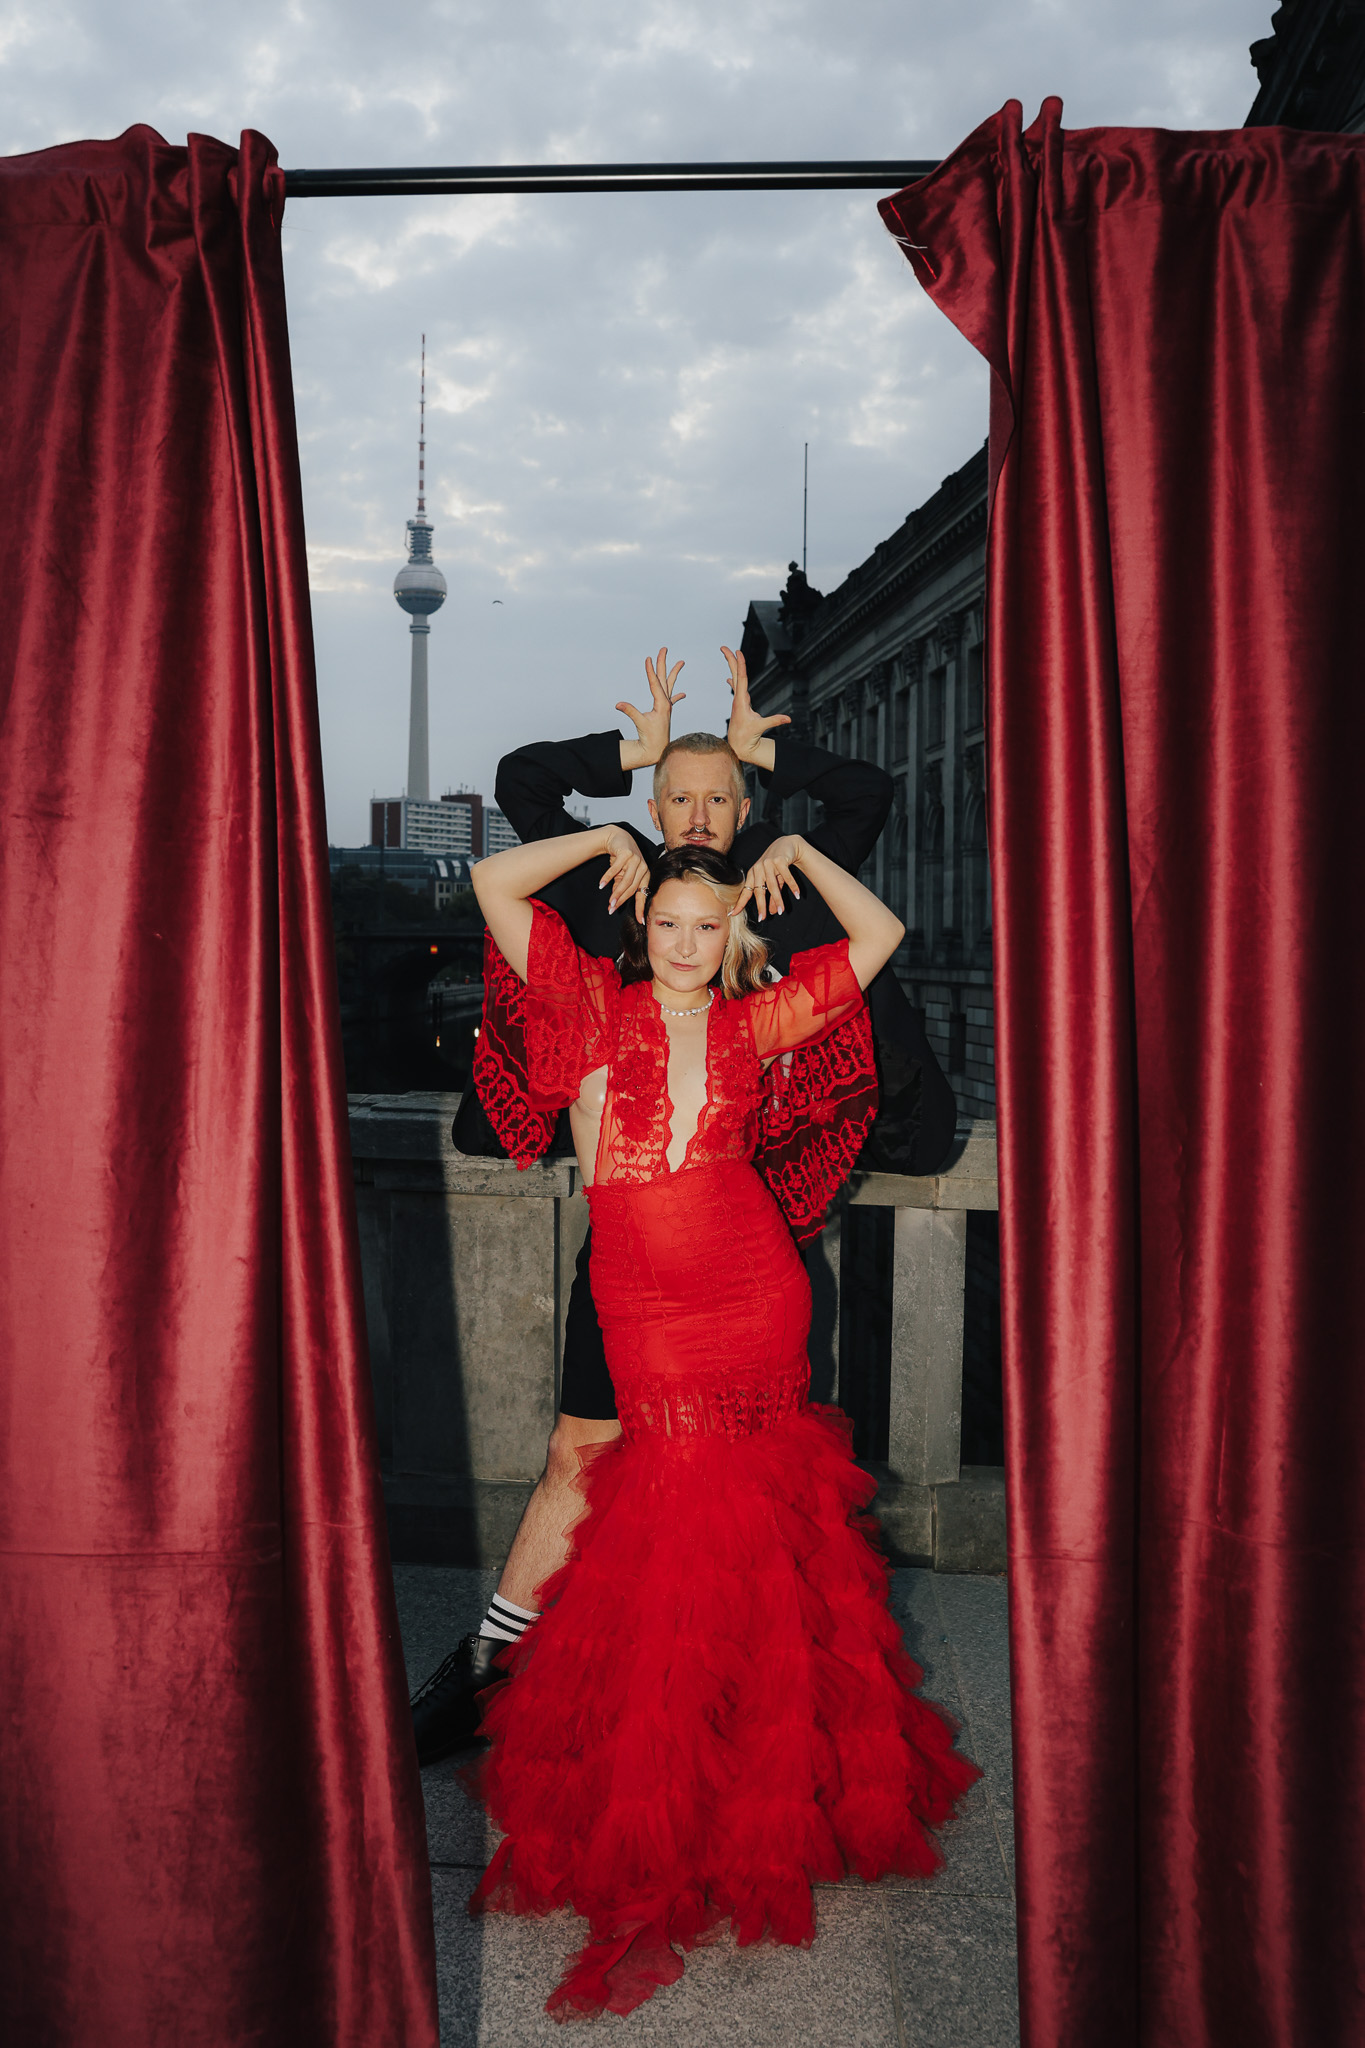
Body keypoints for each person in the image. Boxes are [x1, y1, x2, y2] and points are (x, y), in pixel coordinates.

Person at [461, 824, 980, 2019]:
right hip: (646, 1302)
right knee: (665, 1516)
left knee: (751, 1514)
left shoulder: (760, 1018)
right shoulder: (586, 1006)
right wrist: (603, 839)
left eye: (710, 925)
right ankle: (665, 1790)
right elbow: (492, 879)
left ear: (732, 930)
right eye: (669, 922)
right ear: (642, 924)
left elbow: (881, 934)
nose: (689, 943)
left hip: (756, 1291)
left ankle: (750, 1776)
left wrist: (793, 844)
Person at [411, 649, 958, 1762]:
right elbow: (517, 803)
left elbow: (868, 811)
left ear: (745, 810)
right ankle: (488, 1671)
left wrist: (775, 777)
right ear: (654, 807)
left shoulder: (776, 889)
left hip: (751, 1249)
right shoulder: (611, 901)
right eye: (678, 793)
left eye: (722, 795)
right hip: (632, 1263)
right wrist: (621, 798)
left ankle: (742, 1710)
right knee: (586, 1452)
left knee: (740, 1495)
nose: (700, 815)